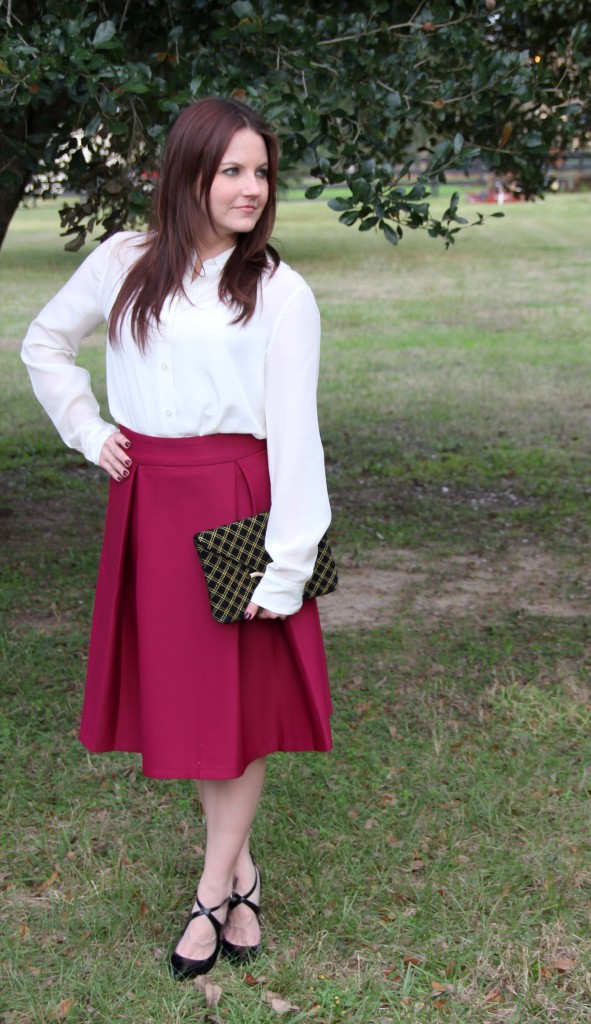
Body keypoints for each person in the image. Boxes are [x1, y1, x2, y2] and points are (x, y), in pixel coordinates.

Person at [21, 97, 333, 980]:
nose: (249, 188)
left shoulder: (277, 289)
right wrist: (88, 428)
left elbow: (294, 431)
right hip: (151, 500)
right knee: (199, 708)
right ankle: (242, 873)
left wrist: (290, 558)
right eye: (230, 169)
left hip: (240, 501)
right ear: (185, 173)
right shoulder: (124, 260)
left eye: (260, 172)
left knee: (235, 706)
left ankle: (212, 890)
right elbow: (45, 344)